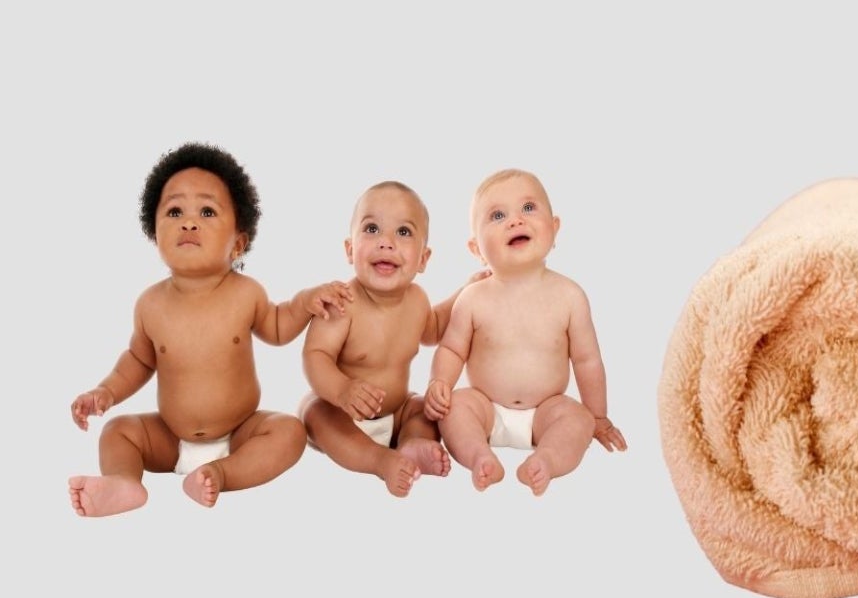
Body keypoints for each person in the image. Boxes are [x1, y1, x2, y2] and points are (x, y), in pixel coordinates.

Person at [69, 142, 353, 517]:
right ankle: (124, 482)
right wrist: (106, 391)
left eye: (207, 211)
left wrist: (305, 302)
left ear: (238, 243)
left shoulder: (246, 293)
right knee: (117, 432)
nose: (189, 222)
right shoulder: (150, 304)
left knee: (289, 432)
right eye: (174, 211)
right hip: (169, 438)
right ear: (155, 234)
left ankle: (220, 474)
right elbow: (138, 360)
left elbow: (278, 326)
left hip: (240, 434)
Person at [426, 169, 625, 495]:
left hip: (547, 411)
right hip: (485, 407)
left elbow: (587, 361)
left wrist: (598, 416)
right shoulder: (473, 298)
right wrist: (440, 384)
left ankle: (545, 460)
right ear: (476, 249)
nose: (515, 221)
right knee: (455, 409)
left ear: (554, 228)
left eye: (528, 208)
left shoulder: (570, 296)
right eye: (497, 215)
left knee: (578, 420)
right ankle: (479, 456)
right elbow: (451, 349)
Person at [298, 180, 488, 496]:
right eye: (372, 229)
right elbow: (315, 355)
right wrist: (342, 390)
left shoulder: (417, 300)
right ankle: (380, 461)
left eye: (403, 232)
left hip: (396, 412)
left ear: (423, 259)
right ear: (350, 249)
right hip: (343, 413)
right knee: (314, 411)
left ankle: (412, 444)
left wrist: (466, 292)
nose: (386, 242)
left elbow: (434, 328)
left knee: (424, 409)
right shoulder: (342, 302)